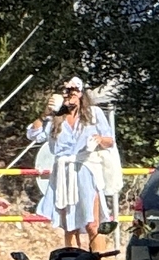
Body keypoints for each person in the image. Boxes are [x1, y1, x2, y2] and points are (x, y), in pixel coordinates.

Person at [29, 78, 111, 250]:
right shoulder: (55, 118)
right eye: (65, 91)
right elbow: (33, 134)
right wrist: (45, 114)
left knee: (92, 223)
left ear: (80, 94)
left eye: (73, 91)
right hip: (64, 173)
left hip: (86, 169)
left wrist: (99, 139)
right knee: (69, 226)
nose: (68, 95)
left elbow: (110, 141)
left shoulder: (94, 113)